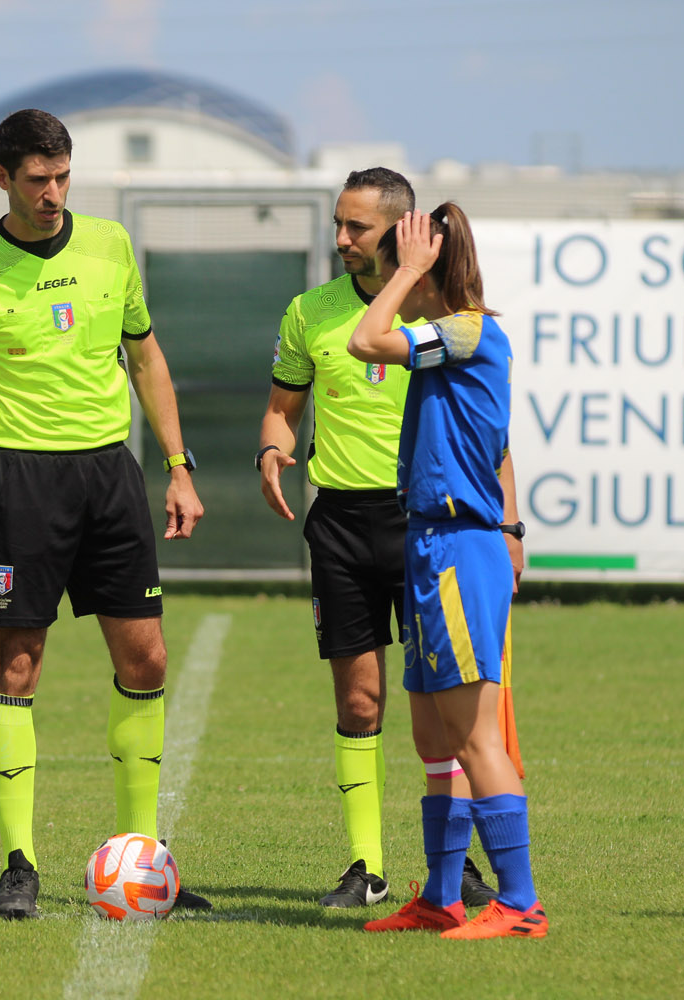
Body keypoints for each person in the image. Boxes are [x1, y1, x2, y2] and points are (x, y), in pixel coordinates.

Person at [0, 108, 207, 919]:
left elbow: (146, 358)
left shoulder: (111, 245)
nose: (53, 193)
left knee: (146, 659)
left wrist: (178, 466)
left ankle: (142, 858)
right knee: (17, 663)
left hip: (110, 476)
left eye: (63, 177)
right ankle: (19, 865)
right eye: (37, 179)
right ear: (2, 178)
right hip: (24, 479)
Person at [258, 168, 517, 908]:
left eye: (358, 227)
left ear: (400, 232)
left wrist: (509, 524)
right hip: (340, 525)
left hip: (428, 529)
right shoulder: (309, 312)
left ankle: (461, 868)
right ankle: (366, 867)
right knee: (361, 700)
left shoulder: (436, 319)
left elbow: (490, 436)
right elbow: (282, 409)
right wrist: (272, 449)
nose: (342, 239)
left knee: (449, 709)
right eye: (337, 224)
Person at [348, 206, 546, 939]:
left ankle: (520, 905)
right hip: (431, 545)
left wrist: (407, 270)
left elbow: (366, 340)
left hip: (461, 549)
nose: (384, 282)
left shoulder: (466, 330)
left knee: (475, 738)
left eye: (395, 266)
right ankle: (440, 897)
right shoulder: (450, 338)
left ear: (428, 266)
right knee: (434, 739)